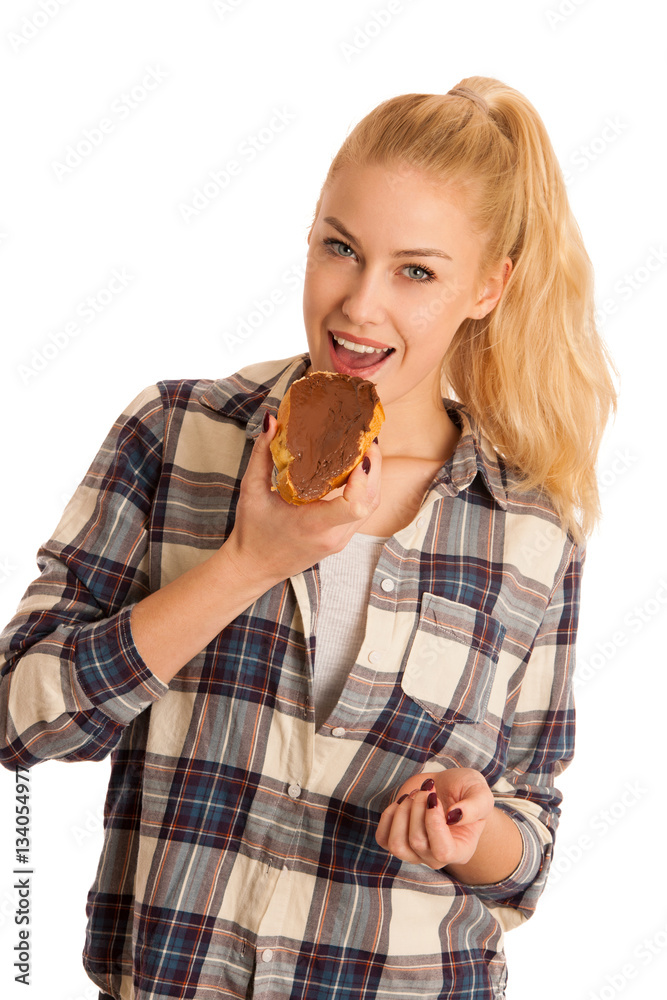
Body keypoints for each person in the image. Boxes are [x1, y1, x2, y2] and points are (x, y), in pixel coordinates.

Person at [0, 76, 617, 1000]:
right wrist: (250, 563)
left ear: (489, 287)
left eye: (416, 270)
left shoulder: (526, 526)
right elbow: (20, 718)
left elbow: (526, 844)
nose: (358, 307)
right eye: (339, 248)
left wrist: (470, 831)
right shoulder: (175, 437)